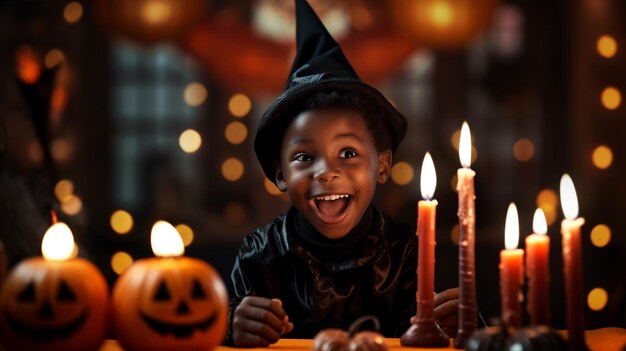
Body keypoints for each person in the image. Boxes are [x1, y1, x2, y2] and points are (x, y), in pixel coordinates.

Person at [225, 0, 459, 347]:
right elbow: (215, 324)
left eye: (348, 153)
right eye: (304, 156)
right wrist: (233, 325)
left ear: (381, 165)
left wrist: (458, 323)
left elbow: (426, 336)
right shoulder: (259, 254)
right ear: (280, 175)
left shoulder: (406, 253)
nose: (327, 172)